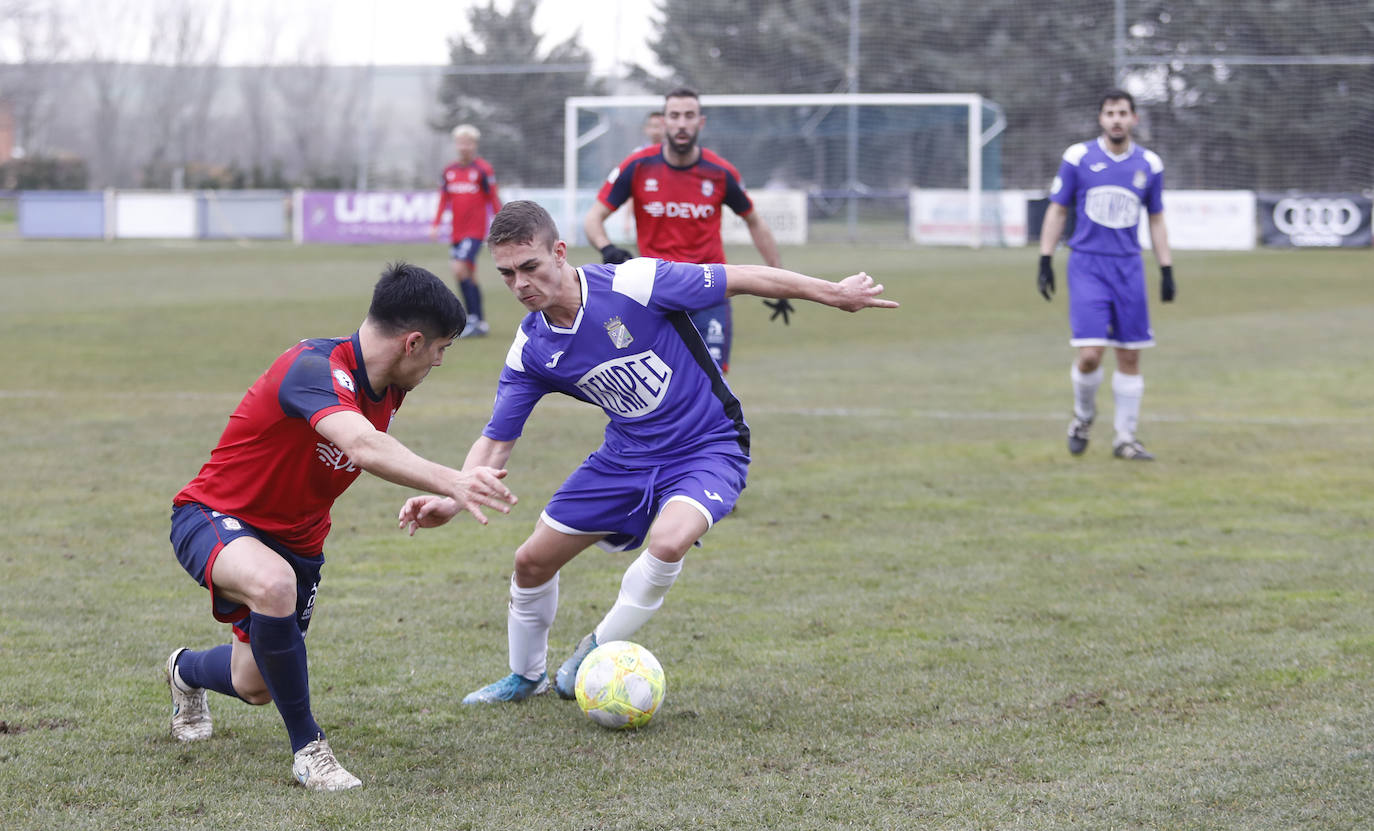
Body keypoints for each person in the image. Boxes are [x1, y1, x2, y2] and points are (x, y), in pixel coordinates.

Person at [397, 201, 898, 705]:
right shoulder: (533, 348)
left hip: (709, 444)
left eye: (531, 267)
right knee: (530, 562)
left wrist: (833, 293)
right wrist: (453, 495)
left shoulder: (635, 283)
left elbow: (741, 276)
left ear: (560, 253)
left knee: (668, 540)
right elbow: (497, 439)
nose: (521, 283)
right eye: (507, 274)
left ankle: (594, 649)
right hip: (625, 460)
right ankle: (525, 677)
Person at [163, 263, 517, 791]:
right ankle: (310, 752)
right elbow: (363, 445)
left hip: (298, 542)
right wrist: (454, 482)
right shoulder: (312, 368)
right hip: (214, 516)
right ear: (412, 342)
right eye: (441, 348)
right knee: (273, 583)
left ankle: (185, 670)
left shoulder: (391, 384)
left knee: (253, 683)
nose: (440, 361)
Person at [584, 87, 789, 374]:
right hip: (654, 291)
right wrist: (607, 248)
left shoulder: (720, 172)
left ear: (700, 122)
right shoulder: (637, 166)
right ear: (664, 121)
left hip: (710, 292)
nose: (682, 123)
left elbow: (754, 220)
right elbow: (594, 217)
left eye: (689, 116)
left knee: (712, 381)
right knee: (652, 381)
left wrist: (778, 279)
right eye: (675, 116)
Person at [1037, 88, 1175, 461]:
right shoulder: (1079, 157)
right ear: (1101, 118)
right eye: (1110, 113)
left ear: (1134, 119)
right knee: (1091, 355)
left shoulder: (1150, 164)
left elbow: (1156, 218)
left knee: (1130, 355)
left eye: (1123, 113)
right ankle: (1083, 417)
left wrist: (1166, 267)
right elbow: (1057, 210)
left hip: (1129, 266)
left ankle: (1125, 439)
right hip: (1087, 265)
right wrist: (1045, 258)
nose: (1116, 119)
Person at [430, 124, 502, 338]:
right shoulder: (449, 171)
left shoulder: (483, 170)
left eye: (468, 143)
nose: (464, 147)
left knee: (459, 268)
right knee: (468, 274)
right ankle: (478, 321)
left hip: (475, 231)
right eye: (461, 143)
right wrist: (436, 223)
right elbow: (444, 199)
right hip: (457, 233)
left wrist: (501, 222)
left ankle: (471, 319)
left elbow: (493, 198)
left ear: (474, 145)